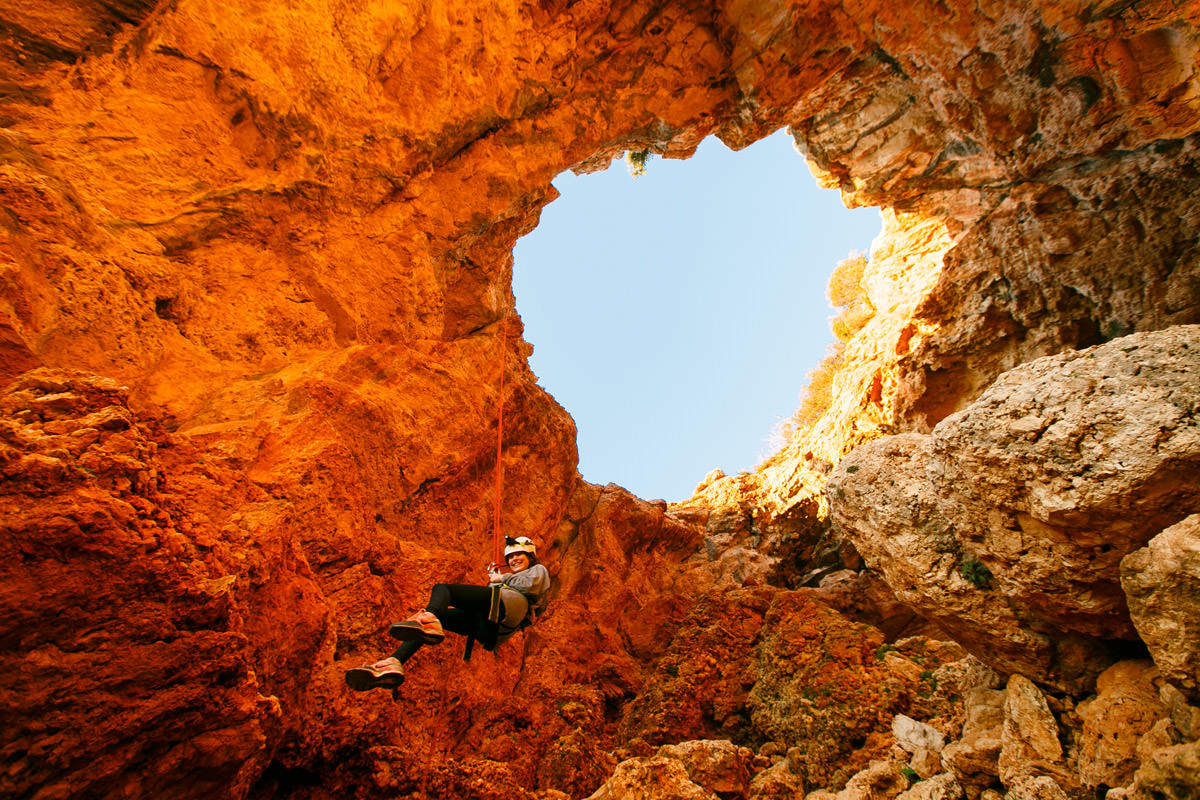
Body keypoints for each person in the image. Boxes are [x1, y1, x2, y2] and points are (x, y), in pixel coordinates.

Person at [345, 536, 551, 691]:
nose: (514, 559)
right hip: (490, 627)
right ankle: (394, 662)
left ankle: (428, 616)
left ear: (530, 556)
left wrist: (501, 580)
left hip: (510, 607)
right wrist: (498, 581)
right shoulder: (508, 579)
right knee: (439, 619)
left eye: (518, 555)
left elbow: (531, 586)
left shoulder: (538, 569)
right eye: (510, 556)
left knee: (444, 590)